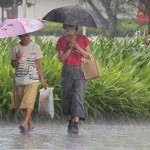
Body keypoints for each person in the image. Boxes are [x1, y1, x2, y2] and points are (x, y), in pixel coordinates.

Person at [56, 24, 92, 134]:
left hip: (80, 71)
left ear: (76, 28)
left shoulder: (83, 39)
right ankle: (70, 122)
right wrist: (70, 48)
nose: (69, 29)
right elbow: (61, 59)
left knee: (78, 97)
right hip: (67, 71)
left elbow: (88, 56)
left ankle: (76, 124)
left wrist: (78, 47)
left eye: (71, 27)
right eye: (67, 27)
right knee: (66, 98)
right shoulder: (61, 40)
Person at [10, 33, 48, 134]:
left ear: (30, 34)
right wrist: (18, 58)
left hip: (33, 79)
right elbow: (13, 65)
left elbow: (38, 66)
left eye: (27, 35)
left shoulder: (36, 47)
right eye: (22, 36)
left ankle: (24, 124)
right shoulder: (15, 48)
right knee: (23, 105)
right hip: (19, 80)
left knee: (29, 102)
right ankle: (31, 125)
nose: (25, 38)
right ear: (19, 37)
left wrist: (42, 81)